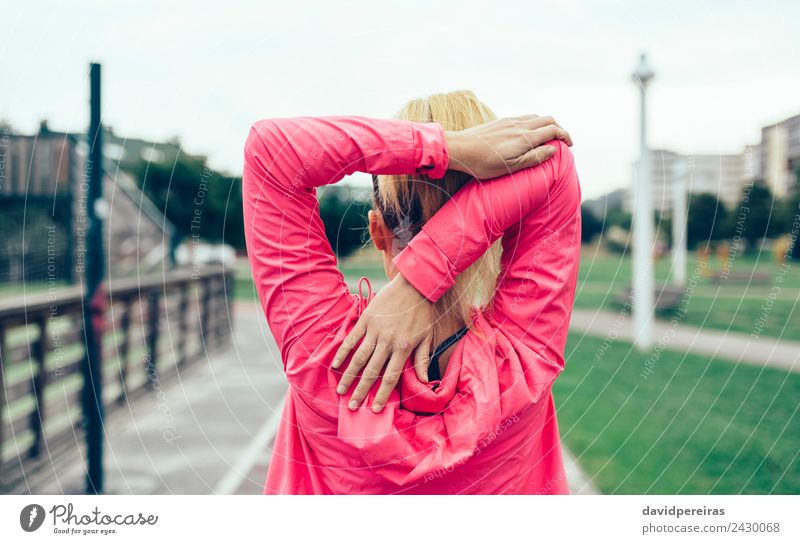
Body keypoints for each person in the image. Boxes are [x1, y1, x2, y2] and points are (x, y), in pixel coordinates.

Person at [242, 90, 581, 494]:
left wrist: (448, 150)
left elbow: (270, 151)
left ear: (377, 231)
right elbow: (554, 161)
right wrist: (429, 271)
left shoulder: (324, 350)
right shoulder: (522, 363)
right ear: (501, 227)